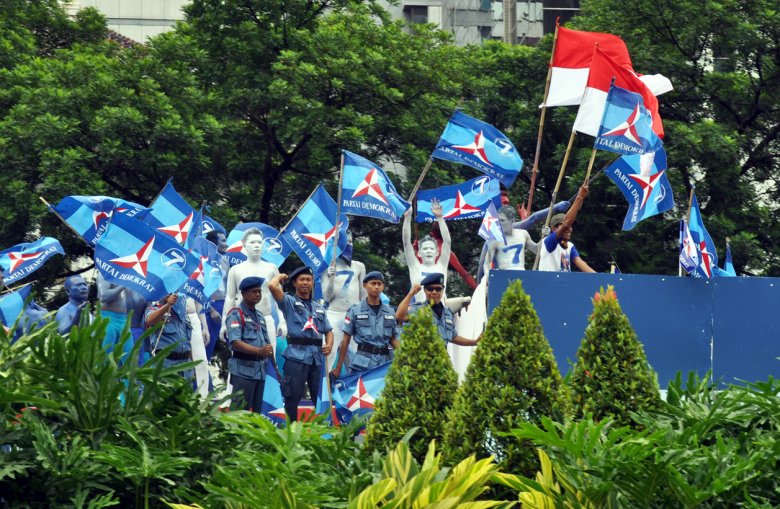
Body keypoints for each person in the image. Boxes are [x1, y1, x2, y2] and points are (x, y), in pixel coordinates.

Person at [268, 266, 333, 422]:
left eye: (308, 280)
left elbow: (328, 330)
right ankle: (291, 431)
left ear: (312, 283)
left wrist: (329, 345)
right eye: (301, 280)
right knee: (292, 397)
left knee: (320, 397)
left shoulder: (319, 307)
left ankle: (323, 432)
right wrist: (281, 276)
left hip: (316, 357)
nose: (305, 283)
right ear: (295, 283)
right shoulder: (289, 302)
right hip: (296, 356)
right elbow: (272, 286)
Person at [221, 228, 285, 351]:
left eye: (259, 242)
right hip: (242, 320)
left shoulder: (271, 268)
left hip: (266, 318)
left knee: (270, 358)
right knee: (242, 356)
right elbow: (229, 297)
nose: (256, 246)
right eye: (252, 242)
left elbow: (279, 297)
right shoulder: (236, 270)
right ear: (244, 244)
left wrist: (282, 320)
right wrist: (225, 322)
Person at [331, 271, 397, 378]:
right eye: (373, 283)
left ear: (383, 286)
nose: (376, 287)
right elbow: (346, 340)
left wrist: (406, 356)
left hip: (385, 362)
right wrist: (338, 367)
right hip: (362, 363)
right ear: (365, 285)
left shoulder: (390, 312)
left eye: (379, 284)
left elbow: (393, 339)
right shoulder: (354, 311)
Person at [224, 276, 274, 411]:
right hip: (243, 371)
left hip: (261, 371)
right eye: (253, 291)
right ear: (243, 293)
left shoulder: (260, 315)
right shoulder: (236, 314)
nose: (257, 294)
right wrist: (259, 351)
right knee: (240, 413)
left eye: (259, 291)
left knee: (259, 414)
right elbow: (235, 343)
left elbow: (267, 344)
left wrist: (274, 369)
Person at [321, 230, 366, 370]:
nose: (349, 245)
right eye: (345, 242)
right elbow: (327, 297)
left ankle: (354, 389)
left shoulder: (359, 266)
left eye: (351, 242)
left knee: (353, 355)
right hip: (334, 313)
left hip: (354, 315)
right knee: (329, 352)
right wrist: (330, 278)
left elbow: (363, 295)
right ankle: (324, 387)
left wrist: (364, 316)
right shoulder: (326, 267)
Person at [395, 273, 480, 347]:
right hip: (422, 359)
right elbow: (399, 316)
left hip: (441, 359)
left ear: (443, 290)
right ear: (425, 291)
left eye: (438, 289)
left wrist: (474, 342)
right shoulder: (418, 310)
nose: (434, 292)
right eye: (430, 289)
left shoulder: (447, 313)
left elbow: (452, 337)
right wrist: (411, 293)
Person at [402, 198, 451, 304]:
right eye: (425, 248)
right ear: (419, 253)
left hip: (440, 313)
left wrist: (439, 217)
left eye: (431, 248)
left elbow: (447, 242)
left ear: (437, 252)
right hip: (419, 313)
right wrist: (407, 217)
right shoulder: (415, 266)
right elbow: (406, 242)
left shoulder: (441, 265)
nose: (428, 251)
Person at [539, 185, 596, 273]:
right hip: (548, 285)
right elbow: (566, 224)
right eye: (563, 226)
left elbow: (580, 262)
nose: (570, 229)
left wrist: (600, 279)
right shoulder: (549, 241)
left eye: (571, 226)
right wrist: (580, 197)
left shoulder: (569, 246)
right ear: (554, 228)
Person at [144, 293, 193, 378]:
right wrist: (167, 305)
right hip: (165, 365)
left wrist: (192, 365)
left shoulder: (182, 313)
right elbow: (150, 320)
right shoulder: (155, 308)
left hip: (185, 366)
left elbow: (187, 342)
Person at [483, 205, 539, 274]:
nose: (499, 224)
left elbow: (537, 251)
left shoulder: (523, 234)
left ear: (512, 221)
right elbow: (487, 263)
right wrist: (488, 277)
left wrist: (546, 235)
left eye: (502, 220)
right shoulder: (495, 239)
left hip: (521, 274)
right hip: (504, 276)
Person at [205, 229, 229, 362]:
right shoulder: (205, 262)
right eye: (223, 240)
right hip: (209, 306)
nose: (226, 244)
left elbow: (228, 286)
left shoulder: (225, 261)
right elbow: (200, 287)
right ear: (214, 243)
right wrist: (211, 309)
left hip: (223, 305)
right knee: (207, 342)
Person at [96, 272, 132, 359]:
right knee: (104, 357)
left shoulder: (124, 274)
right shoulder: (104, 273)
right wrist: (123, 285)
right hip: (108, 318)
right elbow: (103, 297)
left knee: (129, 357)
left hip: (123, 319)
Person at [187, 297, 211, 398]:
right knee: (178, 360)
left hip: (193, 317)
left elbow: (198, 301)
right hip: (173, 318)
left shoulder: (193, 280)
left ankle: (203, 398)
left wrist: (205, 326)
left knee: (201, 361)